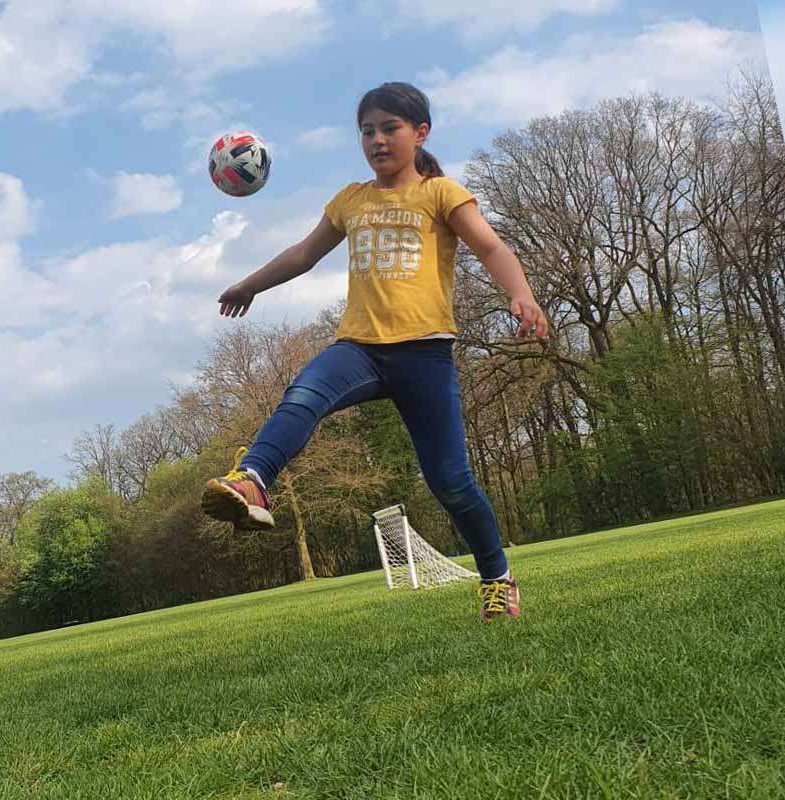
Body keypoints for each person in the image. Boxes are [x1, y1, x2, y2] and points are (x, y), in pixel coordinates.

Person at [199, 81, 548, 623]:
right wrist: (250, 285)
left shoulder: (441, 194)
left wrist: (521, 293)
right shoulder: (352, 200)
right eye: (367, 131)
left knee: (451, 482)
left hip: (424, 354)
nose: (377, 140)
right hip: (359, 348)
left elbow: (490, 246)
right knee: (303, 395)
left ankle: (497, 577)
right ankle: (254, 482)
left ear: (420, 132)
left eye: (390, 128)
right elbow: (304, 253)